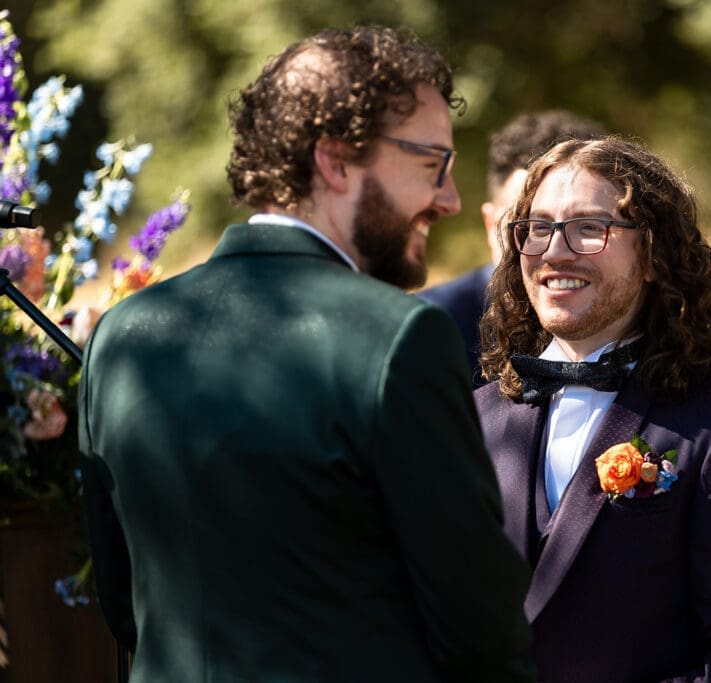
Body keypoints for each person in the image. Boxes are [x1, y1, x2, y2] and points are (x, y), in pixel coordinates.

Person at [77, 26, 533, 682]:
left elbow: (123, 604)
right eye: (432, 163)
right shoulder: (400, 338)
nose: (450, 199)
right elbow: (478, 629)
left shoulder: (122, 335)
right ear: (335, 160)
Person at [477, 136, 711, 681]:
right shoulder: (470, 421)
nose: (555, 251)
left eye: (588, 228)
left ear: (653, 256)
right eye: (538, 228)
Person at [419, 110, 605, 386]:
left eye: (583, 225)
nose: (552, 249)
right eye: (527, 223)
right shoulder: (430, 330)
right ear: (489, 224)